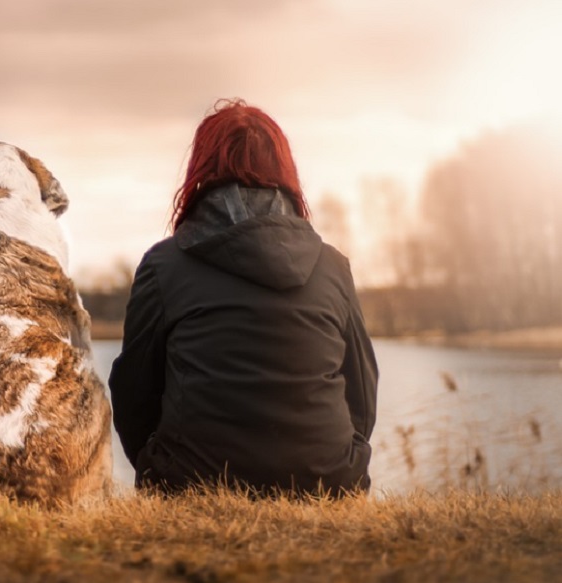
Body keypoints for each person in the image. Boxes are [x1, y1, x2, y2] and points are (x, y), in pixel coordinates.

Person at [108, 99, 378, 496]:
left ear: (201, 170)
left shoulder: (163, 266)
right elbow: (362, 392)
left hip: (191, 482)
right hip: (327, 483)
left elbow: (133, 393)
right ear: (285, 172)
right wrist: (341, 460)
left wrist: (157, 466)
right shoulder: (333, 266)